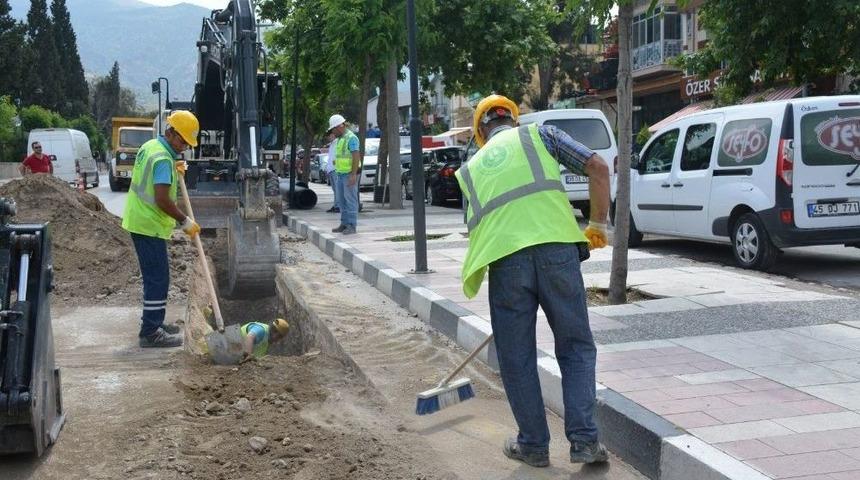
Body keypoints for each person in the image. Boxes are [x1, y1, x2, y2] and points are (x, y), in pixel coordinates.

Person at [455, 95, 611, 467]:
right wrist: (597, 224)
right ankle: (585, 442)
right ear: (513, 118)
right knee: (575, 347)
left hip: (506, 263)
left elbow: (474, 227)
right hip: (558, 253)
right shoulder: (542, 135)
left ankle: (534, 446)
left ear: (480, 132)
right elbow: (599, 167)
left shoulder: (470, 168)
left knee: (516, 357)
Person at [122, 110, 202, 348]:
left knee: (154, 277)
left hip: (140, 220)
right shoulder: (163, 160)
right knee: (158, 279)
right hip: (148, 224)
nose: (184, 147)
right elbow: (162, 200)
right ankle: (151, 332)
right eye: (182, 141)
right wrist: (185, 221)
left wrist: (174, 165)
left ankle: (154, 322)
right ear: (170, 132)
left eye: (188, 143)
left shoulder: (151, 146)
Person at [327, 114, 360, 235]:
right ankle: (344, 223)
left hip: (348, 175)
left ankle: (352, 225)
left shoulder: (351, 138)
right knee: (342, 201)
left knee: (350, 200)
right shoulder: (341, 138)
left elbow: (356, 156)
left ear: (340, 126)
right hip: (340, 174)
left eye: (333, 129)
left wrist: (353, 174)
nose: (333, 132)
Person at [324, 131, 339, 213]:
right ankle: (336, 205)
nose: (328, 138)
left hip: (335, 169)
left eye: (329, 136)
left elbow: (335, 157)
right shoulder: (332, 144)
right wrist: (327, 168)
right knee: (334, 189)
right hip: (331, 169)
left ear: (333, 135)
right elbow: (330, 158)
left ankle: (338, 206)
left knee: (337, 189)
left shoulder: (337, 143)